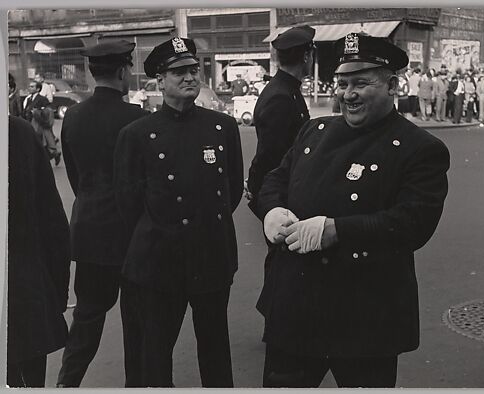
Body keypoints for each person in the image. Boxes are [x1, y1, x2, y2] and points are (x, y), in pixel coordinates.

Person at [256, 32, 450, 388]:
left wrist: (338, 230)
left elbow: (413, 223)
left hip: (365, 316)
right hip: (297, 308)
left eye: (361, 83)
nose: (349, 94)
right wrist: (272, 211)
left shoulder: (420, 148)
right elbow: (275, 180)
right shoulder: (314, 131)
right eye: (342, 83)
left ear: (392, 85)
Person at [114, 37, 243, 387]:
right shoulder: (137, 134)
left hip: (212, 255)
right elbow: (128, 204)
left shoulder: (222, 127)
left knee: (216, 349)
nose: (189, 77)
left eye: (193, 69)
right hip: (161, 262)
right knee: (156, 354)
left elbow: (229, 190)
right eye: (178, 72)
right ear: (159, 80)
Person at [56, 40, 148, 388]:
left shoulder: (74, 116)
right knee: (137, 322)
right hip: (132, 237)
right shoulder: (138, 118)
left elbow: (76, 177)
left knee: (87, 318)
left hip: (90, 232)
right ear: (124, 71)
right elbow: (144, 183)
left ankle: (67, 383)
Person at [246, 26, 315, 335]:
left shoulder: (286, 89)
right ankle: (275, 320)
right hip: (278, 192)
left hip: (280, 188)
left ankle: (277, 318)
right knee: (280, 259)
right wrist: (264, 196)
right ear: (307, 57)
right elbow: (272, 156)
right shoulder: (281, 96)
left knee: (281, 258)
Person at [7, 115, 71, 387]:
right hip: (25, 297)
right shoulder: (17, 131)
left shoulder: (18, 131)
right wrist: (56, 293)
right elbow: (52, 221)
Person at [22, 80, 61, 165]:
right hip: (30, 124)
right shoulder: (29, 99)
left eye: (32, 87)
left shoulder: (43, 99)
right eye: (29, 86)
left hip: (40, 126)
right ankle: (50, 156)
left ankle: (53, 156)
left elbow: (48, 113)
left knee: (43, 144)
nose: (29, 88)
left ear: (38, 89)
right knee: (39, 145)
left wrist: (37, 112)